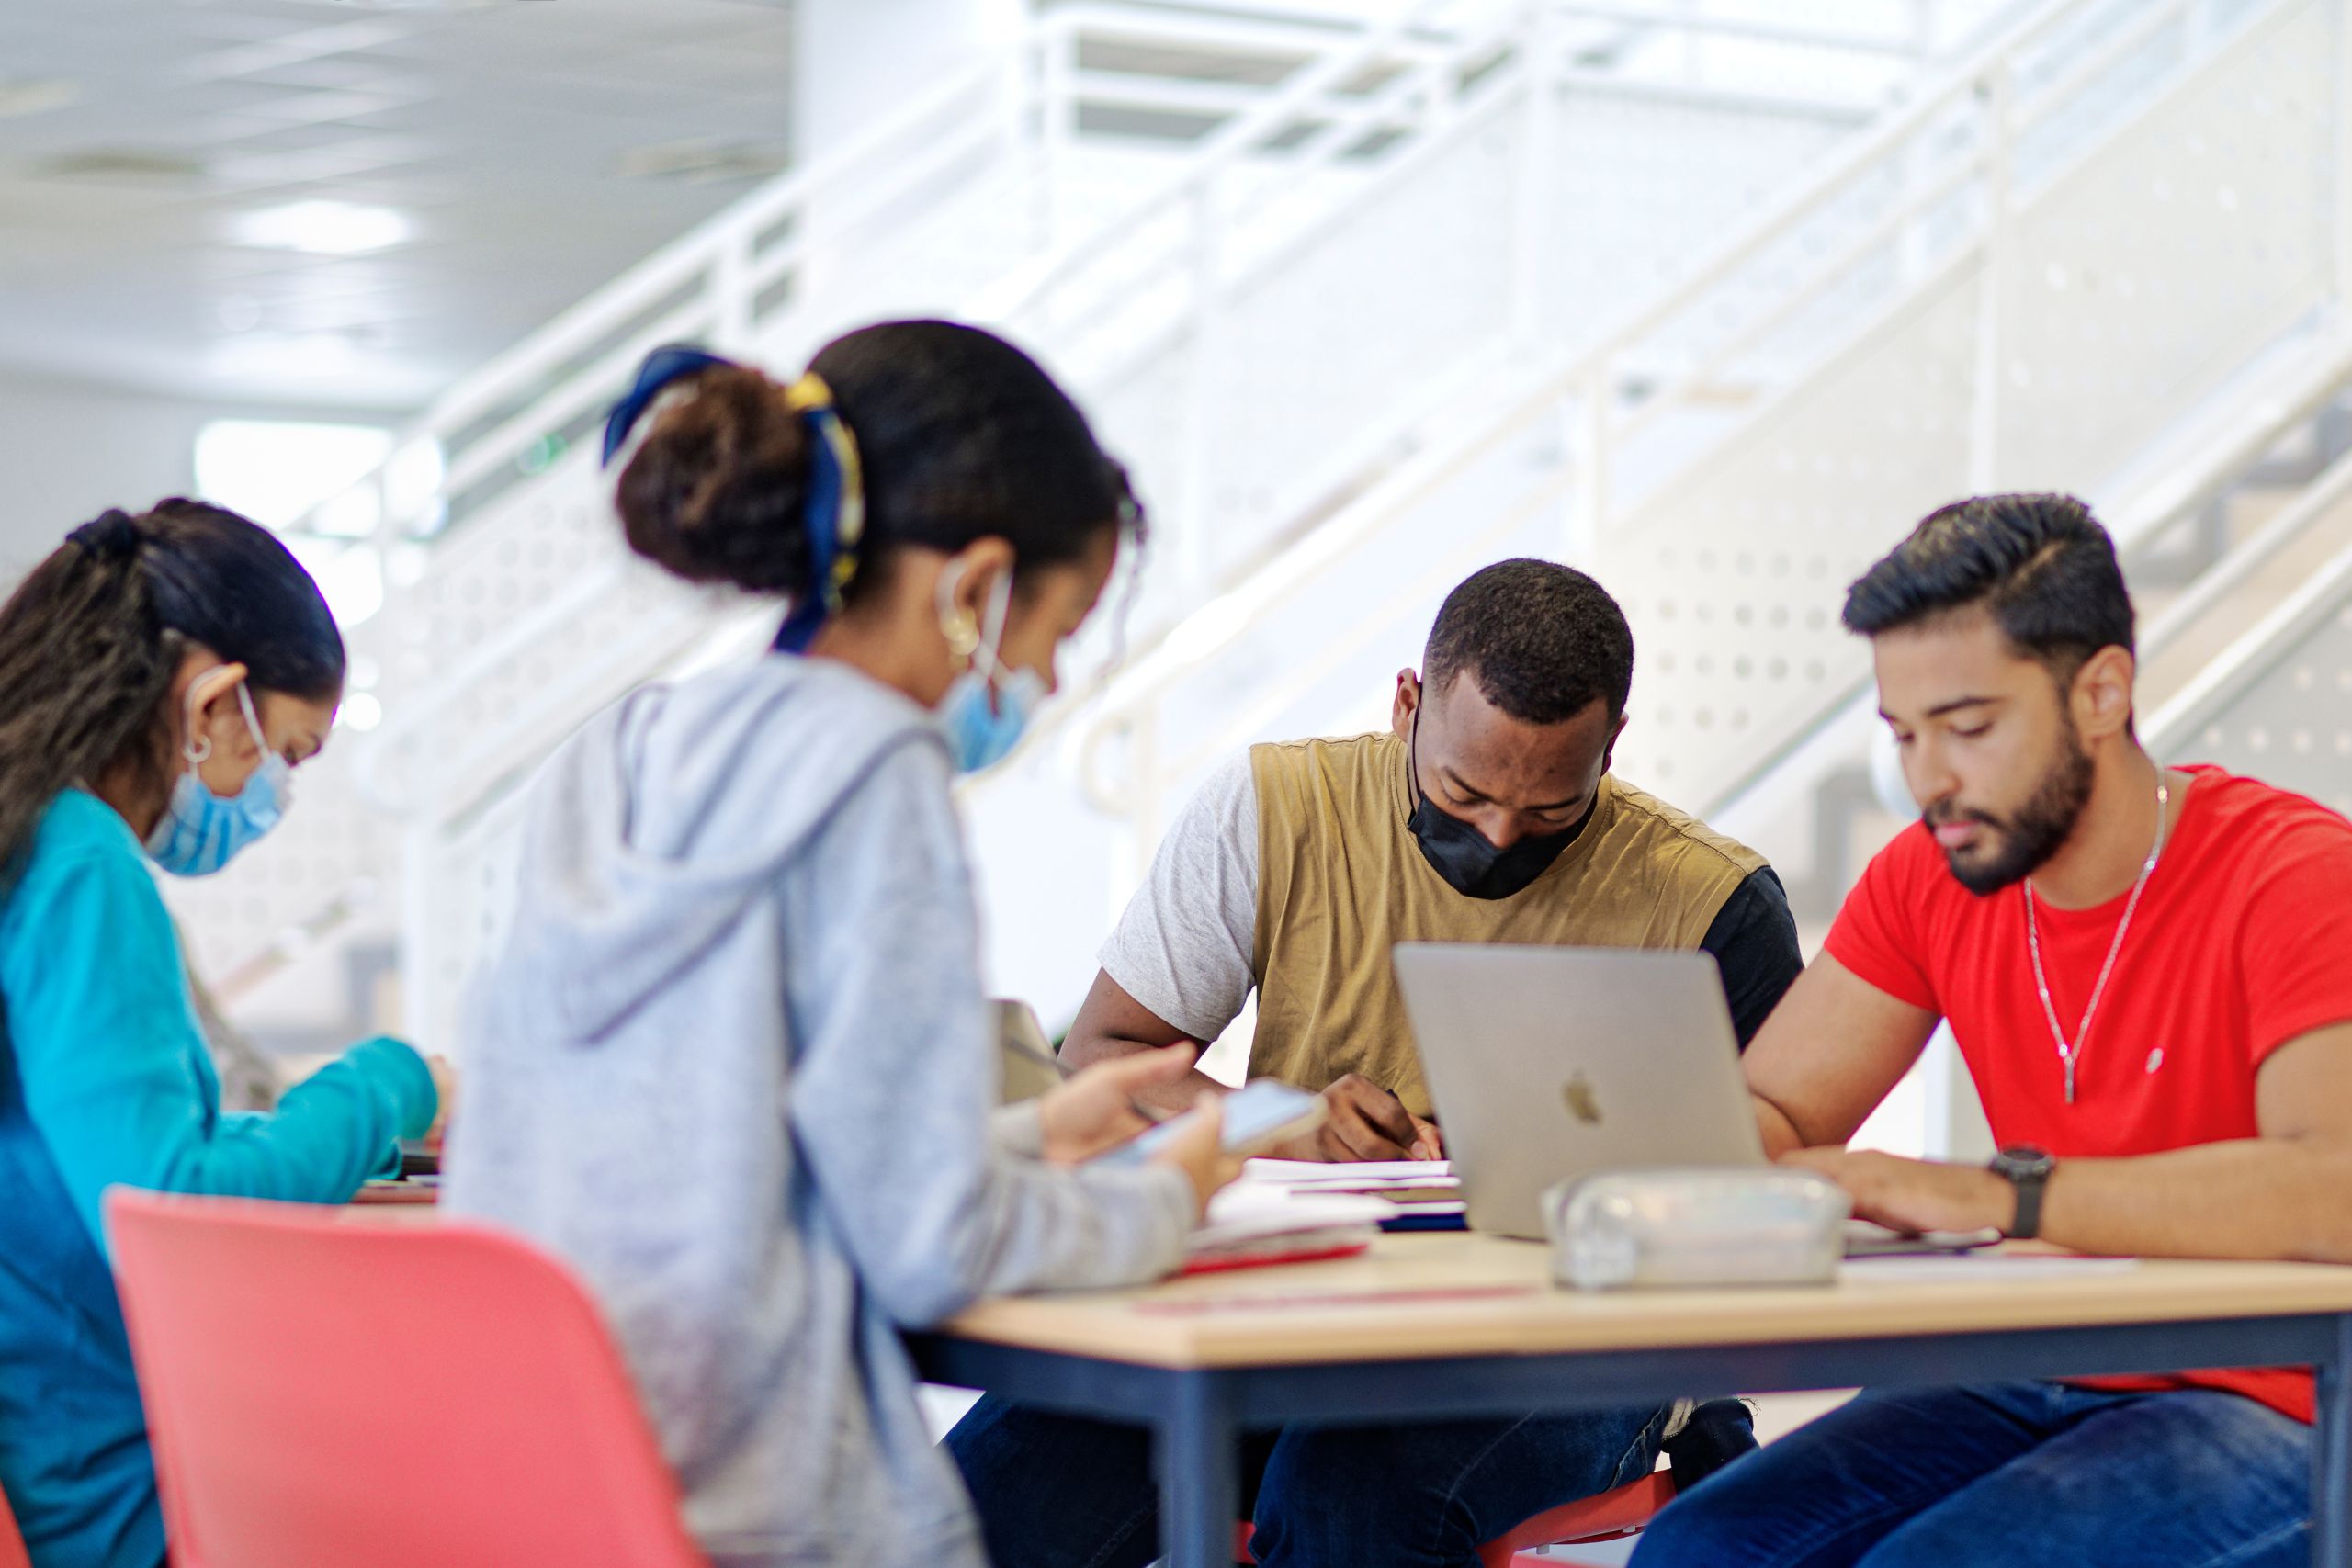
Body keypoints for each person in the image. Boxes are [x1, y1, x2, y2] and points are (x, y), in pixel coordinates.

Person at [442, 323, 1236, 1568]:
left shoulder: (625, 752)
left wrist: (1033, 1134)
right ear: (974, 587)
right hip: (766, 1509)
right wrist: (1163, 1199)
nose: (1053, 677)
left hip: (546, 1486)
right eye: (1059, 627)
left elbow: (726, 1150)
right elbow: (936, 1249)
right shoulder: (875, 776)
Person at [952, 559, 1804, 1567]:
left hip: (1575, 1349)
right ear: (1406, 705)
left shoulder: (1715, 904)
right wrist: (1279, 1123)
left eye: (1547, 813)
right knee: (973, 1504)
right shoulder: (1276, 809)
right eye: (1464, 791)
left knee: (1351, 1494)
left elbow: (1777, 1196)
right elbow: (1109, 1056)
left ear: (1611, 748)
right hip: (1285, 1321)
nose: (1496, 836)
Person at [1634, 492, 2352, 1568]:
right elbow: (1776, 1105)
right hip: (2035, 1358)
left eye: (1968, 729)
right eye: (1904, 735)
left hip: (2283, 1393)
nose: (1929, 779)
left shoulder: (2295, 873)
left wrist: (1997, 1194)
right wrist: (1723, 1169)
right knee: (1702, 1548)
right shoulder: (1931, 873)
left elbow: (2331, 1191)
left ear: (2101, 692)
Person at [0, 500, 447, 1568]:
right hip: (130, 1505)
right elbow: (171, 1203)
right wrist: (395, 1083)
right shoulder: (84, 869)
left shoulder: (29, 834)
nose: (268, 794)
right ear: (209, 705)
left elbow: (109, 1153)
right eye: (284, 754)